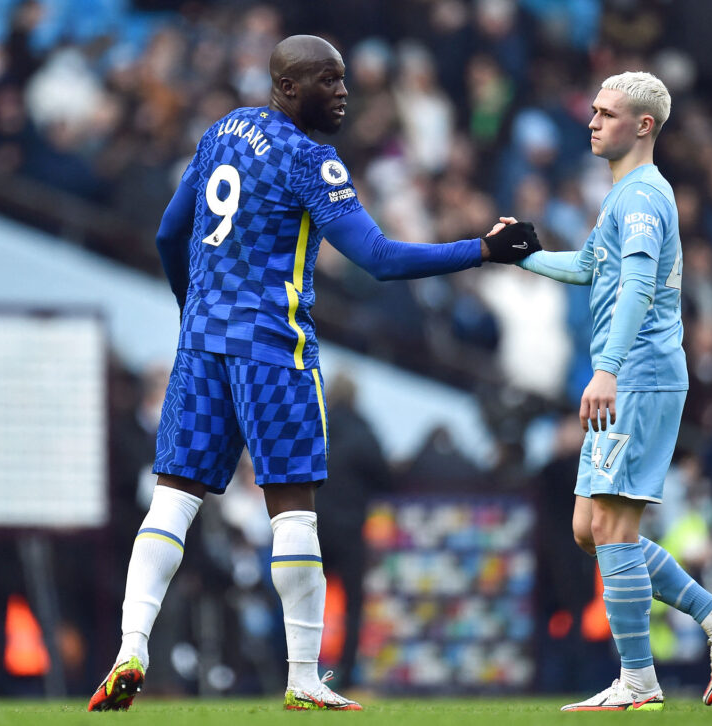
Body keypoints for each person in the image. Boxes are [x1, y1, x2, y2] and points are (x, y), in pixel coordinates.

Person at [87, 34, 536, 712]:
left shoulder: (222, 131)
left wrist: (194, 311)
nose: (344, 92)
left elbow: (166, 234)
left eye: (344, 78)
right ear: (289, 88)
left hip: (202, 346)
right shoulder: (309, 160)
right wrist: (482, 249)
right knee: (293, 511)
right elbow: (379, 259)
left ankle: (130, 648)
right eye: (329, 81)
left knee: (172, 502)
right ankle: (303, 676)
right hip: (274, 349)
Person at [504, 71, 712, 711]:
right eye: (592, 110)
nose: (591, 121)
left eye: (606, 113)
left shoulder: (643, 198)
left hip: (639, 378)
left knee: (612, 530)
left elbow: (639, 289)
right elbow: (591, 268)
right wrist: (519, 254)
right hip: (633, 375)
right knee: (589, 527)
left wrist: (607, 368)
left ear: (643, 125)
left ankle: (639, 682)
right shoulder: (622, 195)